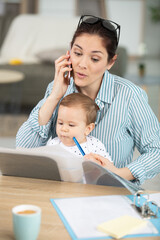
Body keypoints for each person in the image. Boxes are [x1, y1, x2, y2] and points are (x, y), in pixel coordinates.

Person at [16, 15, 160, 186]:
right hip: (62, 192)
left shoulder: (129, 95)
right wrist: (54, 96)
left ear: (110, 62)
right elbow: (24, 148)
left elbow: (156, 151)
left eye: (95, 58)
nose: (82, 64)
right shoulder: (57, 88)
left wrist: (120, 174)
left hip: (111, 194)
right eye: (77, 53)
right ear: (69, 52)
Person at [47, 92, 112, 161]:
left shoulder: (95, 145)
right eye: (60, 123)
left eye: (71, 125)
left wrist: (96, 165)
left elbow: (108, 167)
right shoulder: (53, 144)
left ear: (88, 129)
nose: (63, 129)